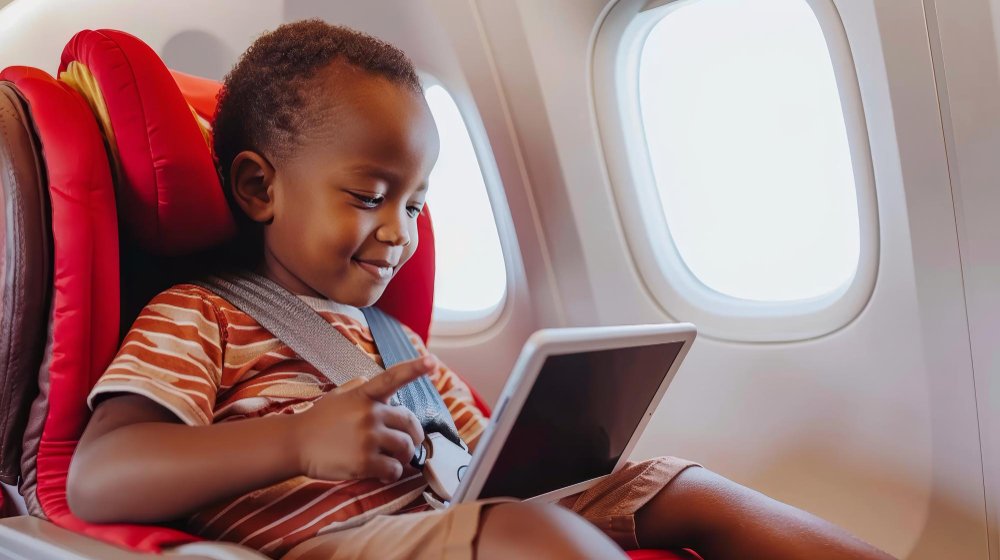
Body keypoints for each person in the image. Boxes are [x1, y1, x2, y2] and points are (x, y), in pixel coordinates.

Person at [66, 19, 896, 560]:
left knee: (674, 484)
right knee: (528, 532)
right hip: (339, 542)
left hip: (445, 516)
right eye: (368, 196)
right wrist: (298, 443)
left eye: (415, 205)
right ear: (259, 187)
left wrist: (558, 448)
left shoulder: (397, 346)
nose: (400, 233)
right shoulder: (199, 315)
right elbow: (100, 475)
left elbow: (477, 462)